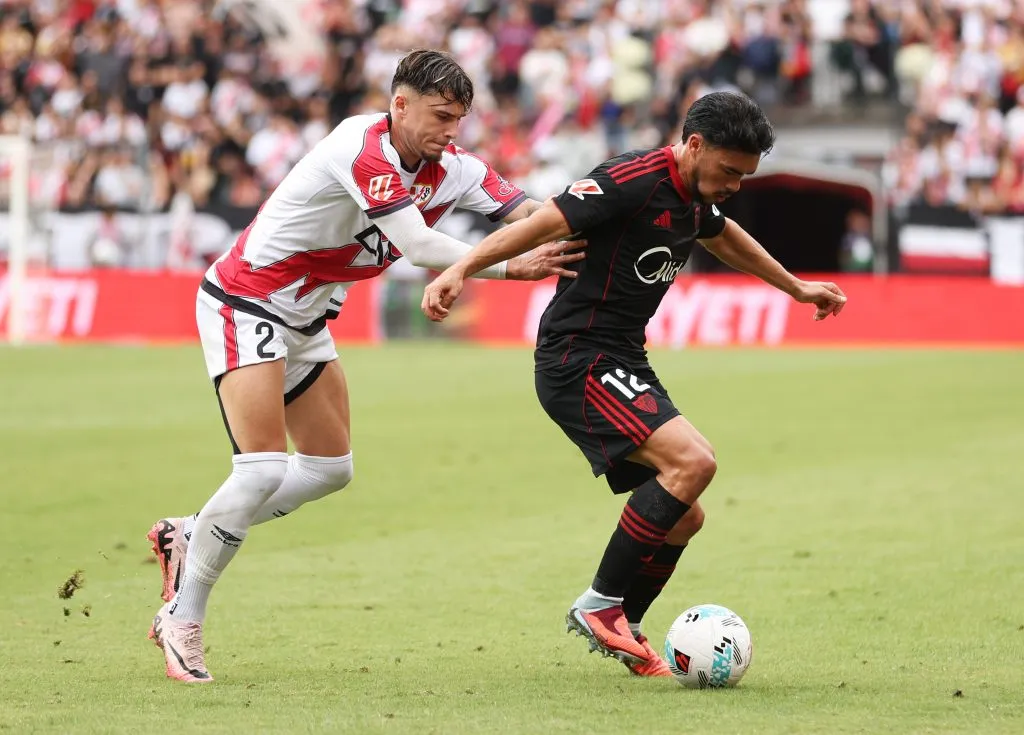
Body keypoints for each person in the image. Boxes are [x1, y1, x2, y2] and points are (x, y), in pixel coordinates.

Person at [146, 50, 584, 683]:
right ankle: (182, 618)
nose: (451, 131)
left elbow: (533, 215)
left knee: (329, 469)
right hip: (246, 303)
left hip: (304, 321)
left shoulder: (454, 169)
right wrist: (510, 267)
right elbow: (420, 246)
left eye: (458, 118)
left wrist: (601, 224)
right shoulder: (361, 147)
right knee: (262, 467)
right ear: (399, 105)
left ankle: (192, 532)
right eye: (439, 115)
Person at [421, 92, 847, 677]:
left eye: (745, 177)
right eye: (728, 171)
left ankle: (629, 627)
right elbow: (545, 219)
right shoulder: (631, 180)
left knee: (684, 515)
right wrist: (461, 268)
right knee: (694, 462)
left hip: (622, 356)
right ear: (694, 146)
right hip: (577, 356)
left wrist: (796, 287)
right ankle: (600, 605)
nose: (734, 185)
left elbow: (722, 235)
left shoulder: (697, 197)